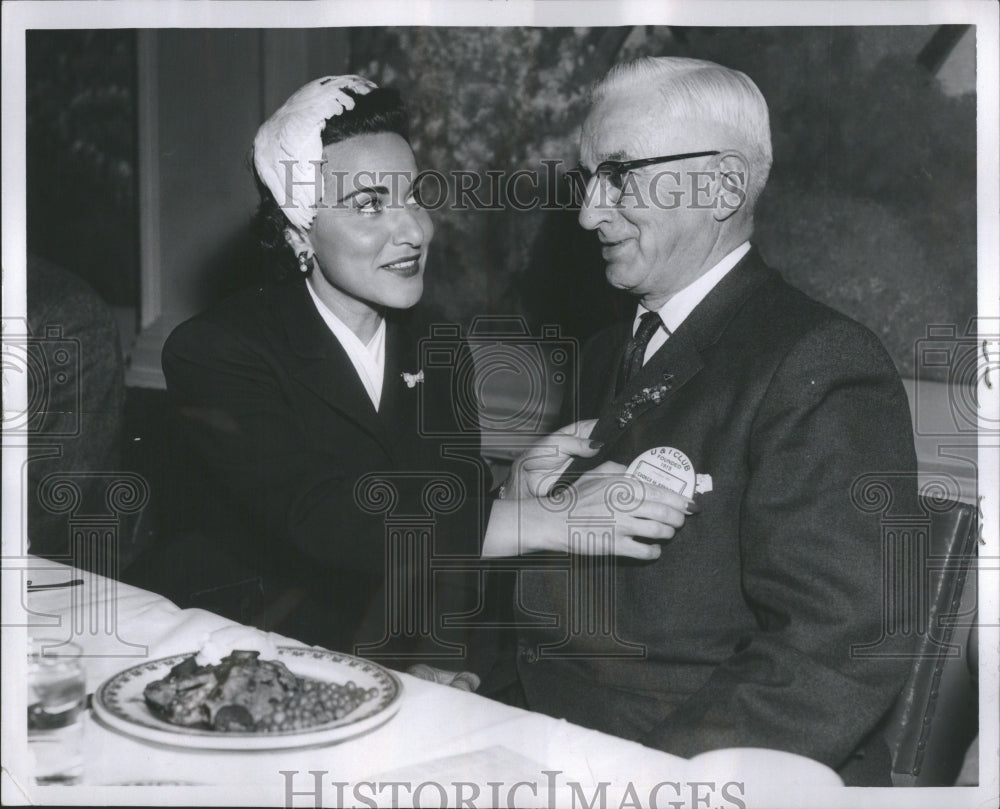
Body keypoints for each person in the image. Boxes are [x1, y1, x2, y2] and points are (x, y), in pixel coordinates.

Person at [145, 75, 688, 674]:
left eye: (412, 197)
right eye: (370, 205)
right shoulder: (216, 350)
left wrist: (510, 493)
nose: (414, 231)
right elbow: (328, 521)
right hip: (242, 658)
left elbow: (443, 529)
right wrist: (545, 519)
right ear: (300, 229)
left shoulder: (437, 345)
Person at [482, 57, 918, 786]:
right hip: (548, 735)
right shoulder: (603, 351)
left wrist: (639, 780)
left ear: (720, 186)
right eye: (587, 180)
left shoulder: (820, 359)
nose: (589, 212)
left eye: (619, 174)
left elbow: (839, 649)